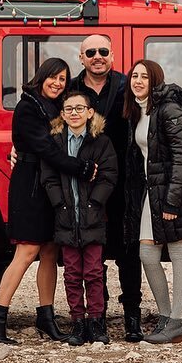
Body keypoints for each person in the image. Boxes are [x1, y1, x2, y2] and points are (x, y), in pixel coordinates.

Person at [0, 58, 98, 345]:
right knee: (26, 250)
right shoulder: (27, 107)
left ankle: (46, 317)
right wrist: (80, 167)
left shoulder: (56, 105)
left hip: (49, 185)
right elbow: (47, 148)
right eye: (53, 77)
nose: (57, 83)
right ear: (41, 77)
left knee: (49, 250)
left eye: (63, 79)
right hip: (31, 186)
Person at [123, 59, 182, 344]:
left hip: (177, 191)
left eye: (143, 77)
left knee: (178, 253)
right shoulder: (138, 110)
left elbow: (180, 158)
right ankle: (166, 317)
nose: (137, 81)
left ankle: (176, 321)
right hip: (154, 191)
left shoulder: (168, 108)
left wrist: (172, 203)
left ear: (155, 80)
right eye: (134, 76)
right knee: (147, 255)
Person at [67, 34, 145, 342]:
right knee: (91, 250)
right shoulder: (71, 90)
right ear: (81, 57)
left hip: (126, 182)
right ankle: (97, 318)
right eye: (90, 52)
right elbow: (52, 125)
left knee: (129, 251)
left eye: (102, 51)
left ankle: (132, 319)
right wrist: (20, 146)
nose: (97, 56)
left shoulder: (128, 86)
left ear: (112, 55)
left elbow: (158, 108)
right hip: (83, 182)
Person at [42, 91, 118, 345]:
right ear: (62, 115)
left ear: (89, 113)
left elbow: (109, 175)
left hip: (93, 217)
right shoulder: (55, 143)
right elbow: (49, 177)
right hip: (65, 217)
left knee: (94, 272)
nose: (74, 113)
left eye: (79, 108)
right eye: (69, 109)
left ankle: (96, 321)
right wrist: (60, 204)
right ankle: (77, 323)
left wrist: (95, 202)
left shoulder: (101, 142)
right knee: (72, 273)